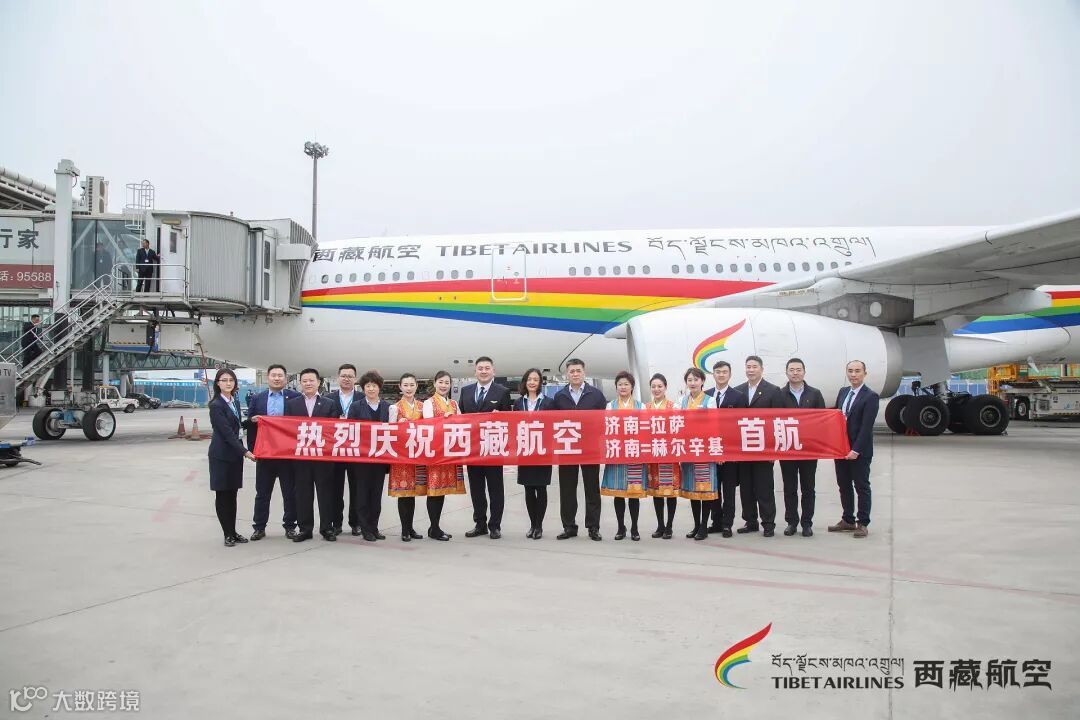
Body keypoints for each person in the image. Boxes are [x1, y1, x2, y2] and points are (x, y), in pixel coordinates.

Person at [243, 364, 301, 540]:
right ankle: (259, 527)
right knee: (262, 494)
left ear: (285, 378)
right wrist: (252, 449)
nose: (277, 378)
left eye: (280, 375)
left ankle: (290, 526)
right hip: (265, 454)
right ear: (267, 378)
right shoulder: (258, 399)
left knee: (289, 493)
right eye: (273, 375)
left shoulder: (295, 397)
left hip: (287, 454)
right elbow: (250, 425)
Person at [552, 358, 607, 541]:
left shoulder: (596, 395)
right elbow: (552, 422)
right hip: (567, 447)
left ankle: (593, 527)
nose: (575, 374)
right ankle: (569, 527)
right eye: (572, 371)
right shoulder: (559, 396)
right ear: (566, 374)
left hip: (590, 448)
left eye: (578, 371)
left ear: (584, 372)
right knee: (567, 489)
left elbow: (603, 422)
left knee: (592, 489)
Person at [458, 356, 512, 539]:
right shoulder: (465, 391)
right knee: (477, 489)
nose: (483, 371)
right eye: (480, 368)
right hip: (473, 450)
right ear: (475, 371)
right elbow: (461, 418)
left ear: (493, 371)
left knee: (496, 489)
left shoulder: (502, 392)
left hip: (493, 448)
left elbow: (509, 420)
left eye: (487, 368)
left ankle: (495, 525)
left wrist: (501, 415)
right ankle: (479, 524)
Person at [284, 368, 339, 542]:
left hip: (323, 458)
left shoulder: (329, 404)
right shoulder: (292, 404)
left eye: (311, 380)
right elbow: (287, 429)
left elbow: (333, 430)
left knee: (326, 494)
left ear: (318, 382)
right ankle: (305, 529)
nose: (308, 383)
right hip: (301, 458)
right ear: (300, 383)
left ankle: (327, 528)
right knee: (303, 494)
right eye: (305, 381)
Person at [733, 355, 783, 537]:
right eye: (748, 367)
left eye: (754, 366)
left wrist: (774, 450)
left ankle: (768, 523)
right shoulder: (738, 391)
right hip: (744, 449)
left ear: (761, 369)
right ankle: (751, 521)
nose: (751, 370)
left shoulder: (773, 391)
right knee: (746, 488)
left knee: (764, 488)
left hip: (764, 449)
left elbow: (778, 421)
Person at [829, 360, 880, 539]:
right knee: (844, 485)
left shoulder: (870, 396)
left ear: (865, 373)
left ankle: (863, 522)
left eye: (857, 371)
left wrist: (856, 450)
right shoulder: (843, 392)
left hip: (860, 451)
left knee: (861, 486)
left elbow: (866, 427)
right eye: (850, 371)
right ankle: (848, 519)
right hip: (841, 449)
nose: (853, 374)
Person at [207, 368, 255, 547]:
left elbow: (236, 427)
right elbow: (226, 433)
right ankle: (227, 534)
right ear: (217, 383)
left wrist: (250, 421)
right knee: (223, 495)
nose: (228, 383)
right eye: (224, 380)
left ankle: (233, 531)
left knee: (232, 494)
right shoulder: (216, 405)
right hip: (221, 456)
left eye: (231, 380)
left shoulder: (234, 401)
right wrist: (245, 452)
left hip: (234, 456)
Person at [778, 358, 826, 537]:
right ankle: (792, 522)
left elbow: (823, 421)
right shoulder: (780, 394)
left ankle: (807, 523)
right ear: (786, 372)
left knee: (808, 488)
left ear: (804, 372)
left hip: (808, 450)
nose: (795, 373)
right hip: (788, 449)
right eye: (792, 370)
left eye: (798, 369)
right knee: (789, 488)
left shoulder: (815, 394)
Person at [600, 371, 647, 541]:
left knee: (634, 494)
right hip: (617, 452)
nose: (623, 387)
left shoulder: (641, 407)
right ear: (616, 387)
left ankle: (634, 528)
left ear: (632, 386)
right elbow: (606, 429)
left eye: (626, 384)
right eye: (620, 384)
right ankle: (621, 527)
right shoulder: (610, 406)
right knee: (618, 492)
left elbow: (645, 430)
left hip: (634, 453)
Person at [704, 360, 748, 538]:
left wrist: (727, 451)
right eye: (718, 372)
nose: (721, 375)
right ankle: (716, 522)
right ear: (713, 374)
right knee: (713, 489)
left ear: (729, 374)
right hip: (710, 451)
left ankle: (727, 524)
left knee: (729, 490)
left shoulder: (739, 396)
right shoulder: (706, 395)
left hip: (729, 452)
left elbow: (740, 426)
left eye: (724, 372)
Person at [421, 370, 467, 541]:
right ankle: (434, 528)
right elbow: (429, 425)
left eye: (447, 382)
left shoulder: (454, 404)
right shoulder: (428, 403)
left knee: (441, 491)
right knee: (434, 491)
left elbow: (462, 423)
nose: (443, 385)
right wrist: (445, 419)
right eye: (440, 382)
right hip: (435, 453)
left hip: (450, 453)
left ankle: (435, 527)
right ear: (434, 383)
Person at [348, 370, 392, 541]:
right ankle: (365, 528)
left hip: (380, 458)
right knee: (362, 494)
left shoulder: (387, 407)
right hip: (362, 459)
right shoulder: (356, 406)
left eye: (374, 385)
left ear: (379, 387)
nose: (371, 389)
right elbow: (351, 431)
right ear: (363, 388)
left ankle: (374, 527)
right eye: (368, 386)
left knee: (376, 495)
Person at [679, 368, 719, 541]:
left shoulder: (710, 401)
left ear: (702, 381)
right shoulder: (681, 401)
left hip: (704, 450)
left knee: (705, 489)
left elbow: (715, 426)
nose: (693, 383)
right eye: (689, 380)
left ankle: (704, 525)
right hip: (688, 450)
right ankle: (696, 525)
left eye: (696, 379)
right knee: (693, 490)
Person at [388, 373, 426, 542]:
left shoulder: (422, 406)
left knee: (413, 493)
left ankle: (410, 528)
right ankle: (404, 529)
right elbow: (389, 431)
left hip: (418, 455)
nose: (409, 388)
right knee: (404, 493)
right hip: (401, 457)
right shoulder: (395, 408)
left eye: (412, 385)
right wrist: (398, 425)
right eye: (406, 385)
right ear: (400, 387)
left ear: (416, 386)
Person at [515, 368, 552, 539]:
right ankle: (532, 525)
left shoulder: (549, 403)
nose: (532, 382)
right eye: (529, 379)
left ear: (540, 383)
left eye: (535, 380)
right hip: (525, 451)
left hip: (543, 451)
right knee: (528, 489)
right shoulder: (518, 403)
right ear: (525, 381)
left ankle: (539, 526)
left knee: (541, 488)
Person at [644, 373, 681, 539]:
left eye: (660, 386)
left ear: (665, 387)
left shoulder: (674, 406)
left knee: (670, 491)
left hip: (669, 454)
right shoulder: (646, 408)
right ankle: (660, 525)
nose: (656, 389)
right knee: (657, 491)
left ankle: (669, 526)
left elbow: (679, 429)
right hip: (654, 454)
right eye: (653, 386)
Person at [326, 364, 360, 536]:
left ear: (355, 379)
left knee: (357, 489)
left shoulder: (362, 397)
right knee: (334, 489)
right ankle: (336, 523)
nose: (347, 379)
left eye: (350, 376)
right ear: (338, 377)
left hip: (356, 451)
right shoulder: (328, 398)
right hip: (335, 451)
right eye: (344, 376)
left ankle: (356, 523)